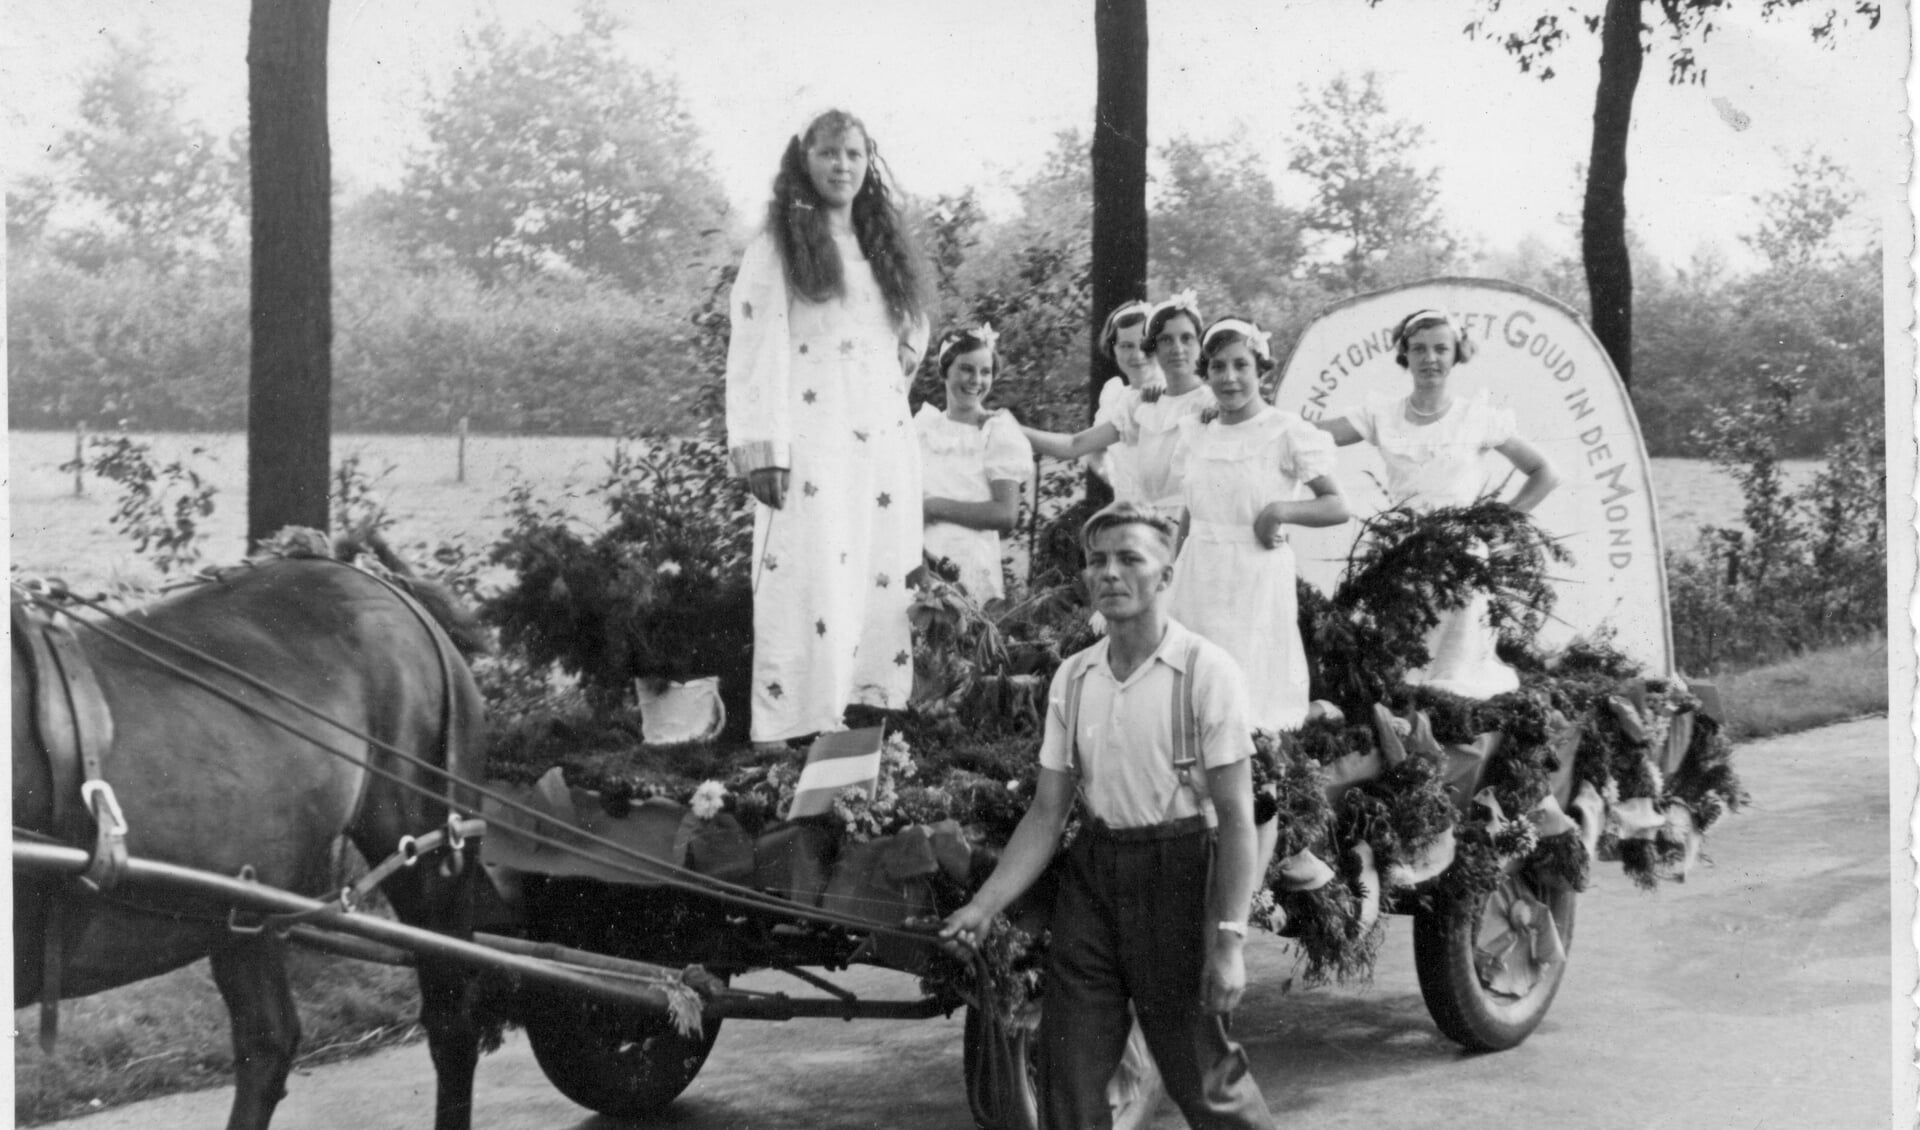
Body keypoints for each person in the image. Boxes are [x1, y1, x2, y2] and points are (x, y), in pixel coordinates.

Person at [942, 502, 1277, 1130]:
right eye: (1098, 561)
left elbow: (1235, 820)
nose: (1110, 574)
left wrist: (1229, 942)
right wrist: (983, 908)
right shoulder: (1075, 677)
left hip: (1178, 874)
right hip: (1093, 880)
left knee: (1201, 1078)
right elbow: (1047, 813)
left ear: (1166, 575)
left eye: (1130, 559)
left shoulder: (1206, 672)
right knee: (1068, 1079)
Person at [724, 109, 930, 747]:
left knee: (878, 565)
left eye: (854, 155)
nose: (842, 166)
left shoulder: (881, 248)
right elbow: (758, 344)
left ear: (868, 164)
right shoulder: (780, 246)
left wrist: (888, 379)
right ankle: (792, 724)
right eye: (829, 154)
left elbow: (910, 334)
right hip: (811, 436)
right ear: (804, 160)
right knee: (809, 570)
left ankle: (865, 718)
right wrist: (764, 447)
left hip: (878, 438)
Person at [1314, 308, 1560, 699]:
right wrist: (1254, 419)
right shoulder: (1382, 415)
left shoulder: (1475, 417)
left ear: (1456, 353)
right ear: (1405, 355)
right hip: (1402, 558)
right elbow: (1312, 435)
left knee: (1455, 678)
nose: (1430, 359)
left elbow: (1545, 472)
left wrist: (1494, 524)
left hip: (1461, 564)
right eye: (1419, 349)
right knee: (1404, 673)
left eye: (1441, 349)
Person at [1167, 318, 1349, 733]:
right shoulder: (1196, 432)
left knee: (1250, 704)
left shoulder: (1287, 432)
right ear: (1206, 372)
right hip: (1198, 572)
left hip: (1253, 574)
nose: (1229, 378)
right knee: (1192, 692)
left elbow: (1337, 505)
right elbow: (1191, 511)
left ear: (1260, 369)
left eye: (1240, 365)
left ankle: (1290, 734)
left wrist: (1280, 511)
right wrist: (1171, 572)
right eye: (1217, 367)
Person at [1020, 291, 1216, 523]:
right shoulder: (1132, 404)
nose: (1138, 355)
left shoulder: (1210, 402)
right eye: (1125, 346)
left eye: (1186, 338)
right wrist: (1011, 427)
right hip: (1141, 521)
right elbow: (1077, 445)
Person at [915, 323, 1031, 602]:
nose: (976, 380)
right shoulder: (924, 427)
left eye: (985, 371)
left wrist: (933, 507)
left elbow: (1005, 513)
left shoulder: (996, 430)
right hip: (919, 557)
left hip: (968, 560)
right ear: (945, 369)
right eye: (966, 369)